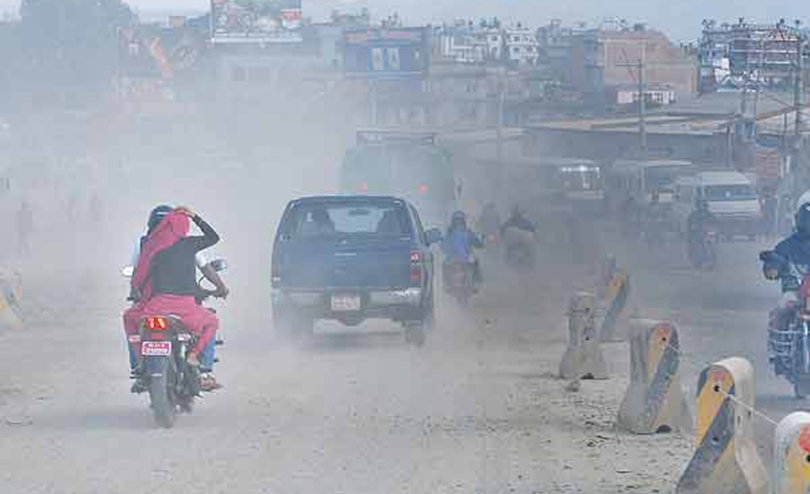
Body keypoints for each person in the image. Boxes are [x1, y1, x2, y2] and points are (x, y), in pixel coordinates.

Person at [123, 206, 226, 391]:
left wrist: (135, 291)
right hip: (186, 307)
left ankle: (139, 363)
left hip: (155, 305)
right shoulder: (188, 243)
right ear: (183, 225)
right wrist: (195, 216)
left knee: (129, 318)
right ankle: (197, 362)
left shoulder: (149, 245)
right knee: (211, 322)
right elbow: (209, 255)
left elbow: (137, 277)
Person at [764, 202, 810, 339]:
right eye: (807, 219)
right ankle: (779, 348)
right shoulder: (786, 245)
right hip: (794, 292)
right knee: (781, 309)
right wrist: (772, 268)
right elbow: (774, 263)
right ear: (799, 220)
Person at [442, 211, 483, 286]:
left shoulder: (450, 233)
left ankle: (476, 281)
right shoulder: (467, 232)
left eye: (459, 221)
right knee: (445, 264)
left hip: (457, 258)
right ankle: (477, 281)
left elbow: (443, 247)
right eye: (457, 221)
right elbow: (477, 242)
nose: (458, 223)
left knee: (445, 264)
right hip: (463, 258)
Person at [687, 199, 716, 264]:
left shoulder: (710, 214)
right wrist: (692, 228)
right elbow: (690, 223)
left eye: (703, 205)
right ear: (697, 206)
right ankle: (696, 257)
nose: (702, 207)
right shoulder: (694, 215)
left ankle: (712, 258)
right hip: (697, 233)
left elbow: (715, 223)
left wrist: (714, 229)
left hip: (708, 232)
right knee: (692, 242)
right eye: (700, 205)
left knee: (713, 242)